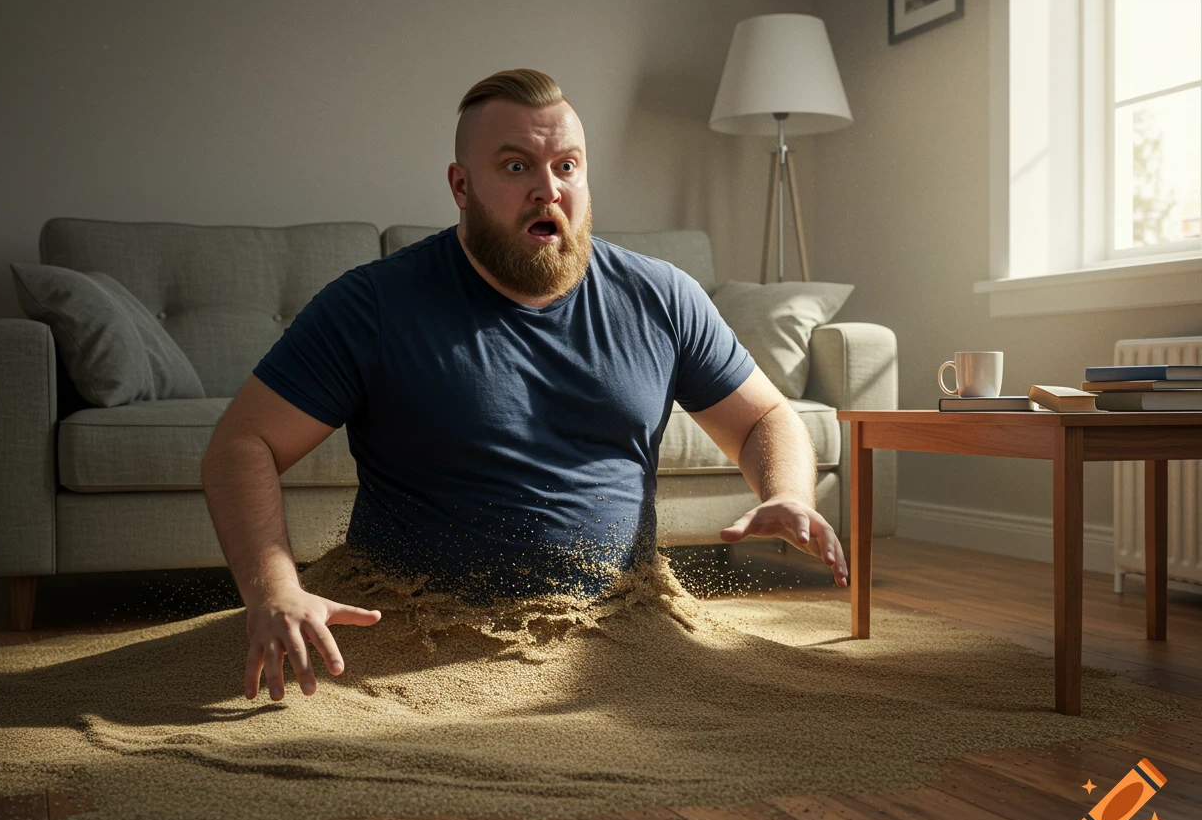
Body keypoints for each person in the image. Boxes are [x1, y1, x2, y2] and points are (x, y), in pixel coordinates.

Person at [201, 68, 848, 704]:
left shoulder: (661, 296)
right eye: (516, 167)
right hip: (410, 637)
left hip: (622, 627)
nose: (548, 189)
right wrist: (274, 592)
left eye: (567, 166)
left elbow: (764, 415)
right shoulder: (371, 305)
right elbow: (241, 444)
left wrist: (788, 493)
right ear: (461, 185)